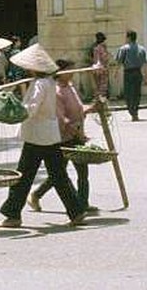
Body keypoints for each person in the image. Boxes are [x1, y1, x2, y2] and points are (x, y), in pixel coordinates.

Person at [0, 44, 87, 228]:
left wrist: (15, 111)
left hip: (37, 135)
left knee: (23, 176)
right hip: (48, 134)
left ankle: (12, 214)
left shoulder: (40, 84)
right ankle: (76, 211)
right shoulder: (49, 83)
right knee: (58, 175)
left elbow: (32, 108)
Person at [28, 59, 98, 215]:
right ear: (60, 72)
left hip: (77, 134)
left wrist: (91, 109)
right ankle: (37, 195)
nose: (72, 73)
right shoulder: (56, 91)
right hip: (64, 137)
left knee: (81, 171)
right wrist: (76, 131)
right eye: (70, 70)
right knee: (59, 174)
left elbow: (77, 111)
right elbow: (61, 118)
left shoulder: (70, 87)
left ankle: (82, 203)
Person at [115, 30, 147, 121]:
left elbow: (119, 62)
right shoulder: (142, 49)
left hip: (128, 73)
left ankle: (132, 111)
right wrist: (146, 76)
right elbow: (145, 64)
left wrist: (116, 73)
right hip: (138, 72)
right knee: (137, 93)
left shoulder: (123, 49)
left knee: (128, 93)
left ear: (128, 37)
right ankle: (135, 111)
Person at [89, 32, 111, 99]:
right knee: (103, 85)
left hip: (95, 68)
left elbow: (90, 57)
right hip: (102, 68)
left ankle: (98, 98)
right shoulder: (102, 47)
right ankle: (102, 99)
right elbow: (105, 58)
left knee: (97, 85)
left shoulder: (93, 47)